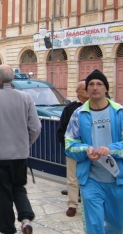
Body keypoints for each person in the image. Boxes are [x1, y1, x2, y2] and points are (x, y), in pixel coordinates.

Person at [0, 64, 41, 234]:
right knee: (19, 187)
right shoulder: (26, 98)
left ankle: (7, 229)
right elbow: (36, 127)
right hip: (20, 154)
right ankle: (26, 218)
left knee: (2, 193)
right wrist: (25, 143)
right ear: (13, 78)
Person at [65, 70, 123, 233]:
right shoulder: (78, 114)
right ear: (86, 90)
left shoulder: (119, 112)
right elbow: (69, 144)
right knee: (95, 226)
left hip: (118, 180)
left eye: (99, 84)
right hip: (90, 180)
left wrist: (111, 149)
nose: (95, 87)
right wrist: (85, 150)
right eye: (91, 84)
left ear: (106, 88)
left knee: (118, 226)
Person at [56, 79, 88, 217]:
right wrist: (68, 147)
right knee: (72, 178)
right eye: (84, 88)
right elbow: (61, 130)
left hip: (92, 151)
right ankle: (72, 204)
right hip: (74, 150)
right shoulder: (70, 109)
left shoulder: (98, 107)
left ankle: (89, 204)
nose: (88, 90)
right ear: (78, 92)